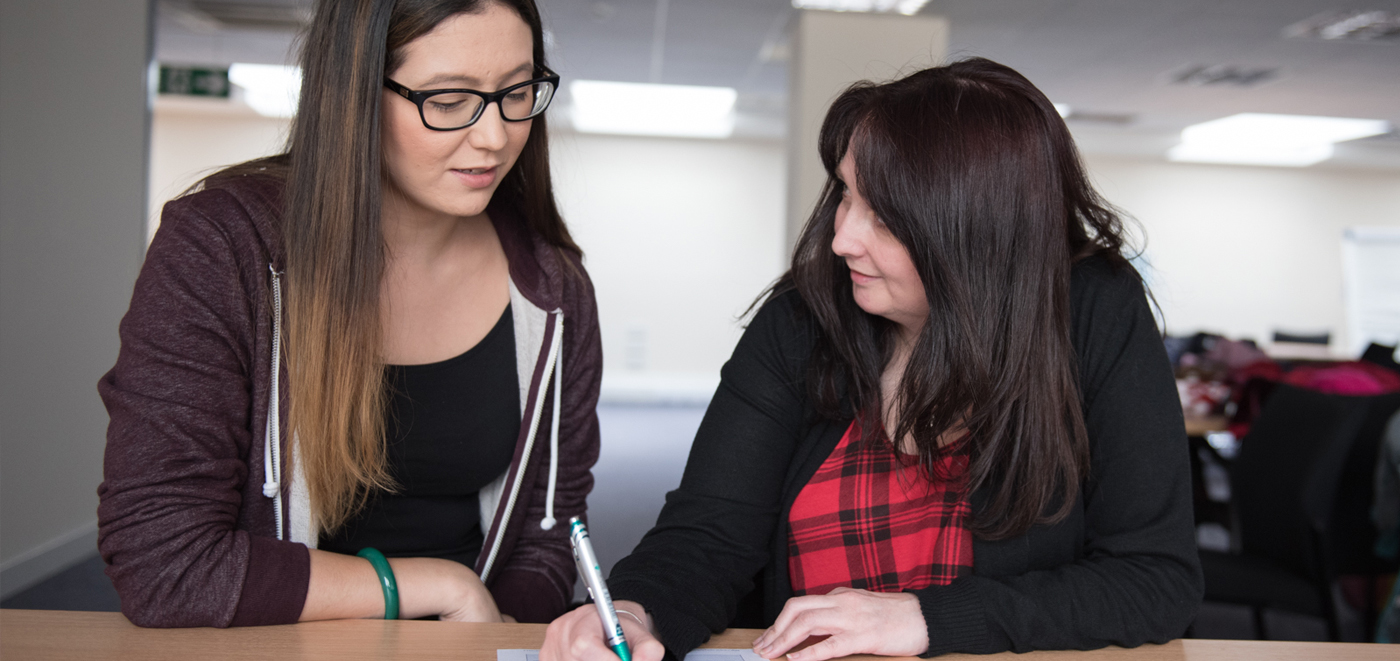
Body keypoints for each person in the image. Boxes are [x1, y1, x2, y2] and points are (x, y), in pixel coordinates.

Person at [543, 58, 1201, 660]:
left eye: (882, 215)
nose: (840, 238)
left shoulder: (1095, 311)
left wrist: (925, 618)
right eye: (845, 196)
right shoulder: (800, 321)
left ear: (976, 236)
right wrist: (632, 609)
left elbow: (1154, 578)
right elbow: (708, 535)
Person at [97, 0, 600, 627]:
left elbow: (547, 538)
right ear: (354, 95)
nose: (496, 136)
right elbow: (166, 561)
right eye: (447, 101)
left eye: (517, 91)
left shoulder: (553, 288)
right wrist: (436, 588)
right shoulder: (223, 248)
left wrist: (485, 634)